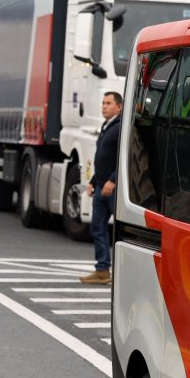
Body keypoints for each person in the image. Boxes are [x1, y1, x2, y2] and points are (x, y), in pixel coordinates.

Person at [80, 91, 123, 284]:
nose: (104, 106)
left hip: (113, 189)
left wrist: (113, 180)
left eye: (108, 103)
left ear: (119, 107)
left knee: (121, 233)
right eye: (103, 103)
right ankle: (102, 270)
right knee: (97, 228)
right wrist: (93, 181)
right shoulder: (107, 125)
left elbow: (123, 157)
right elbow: (103, 159)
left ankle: (123, 275)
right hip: (100, 187)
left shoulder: (121, 126)